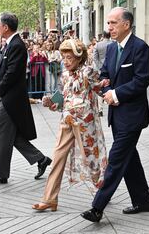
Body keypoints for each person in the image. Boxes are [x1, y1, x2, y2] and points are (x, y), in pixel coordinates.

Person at [81, 7, 149, 223]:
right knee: (129, 158)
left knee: (115, 159)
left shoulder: (140, 47)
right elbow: (105, 75)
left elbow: (142, 81)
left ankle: (97, 207)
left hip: (133, 116)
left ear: (126, 24)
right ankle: (143, 201)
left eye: (113, 23)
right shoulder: (112, 49)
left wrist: (116, 93)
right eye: (108, 23)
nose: (109, 27)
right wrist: (105, 88)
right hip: (116, 114)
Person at [32, 39, 108, 212]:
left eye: (69, 57)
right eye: (64, 57)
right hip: (67, 121)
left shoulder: (88, 72)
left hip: (85, 124)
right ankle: (49, 199)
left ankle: (103, 191)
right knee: (57, 157)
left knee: (90, 158)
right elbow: (63, 99)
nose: (65, 61)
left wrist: (107, 86)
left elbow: (100, 89)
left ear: (79, 57)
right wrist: (51, 103)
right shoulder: (65, 75)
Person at [0, 12, 52, 184]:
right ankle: (40, 159)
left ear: (5, 27)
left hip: (11, 99)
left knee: (2, 135)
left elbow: (12, 72)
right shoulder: (10, 44)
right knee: (9, 136)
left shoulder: (16, 45)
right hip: (10, 98)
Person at [93, 31, 112, 116]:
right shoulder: (113, 44)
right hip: (112, 69)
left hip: (101, 69)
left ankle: (100, 109)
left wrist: (100, 67)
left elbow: (95, 58)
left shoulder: (98, 45)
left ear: (103, 36)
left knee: (100, 89)